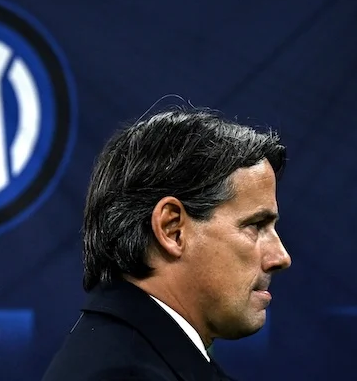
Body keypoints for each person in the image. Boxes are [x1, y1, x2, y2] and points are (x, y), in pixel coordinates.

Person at [42, 105, 292, 381]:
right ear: (172, 229)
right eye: (255, 225)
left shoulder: (138, 357)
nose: (281, 257)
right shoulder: (124, 375)